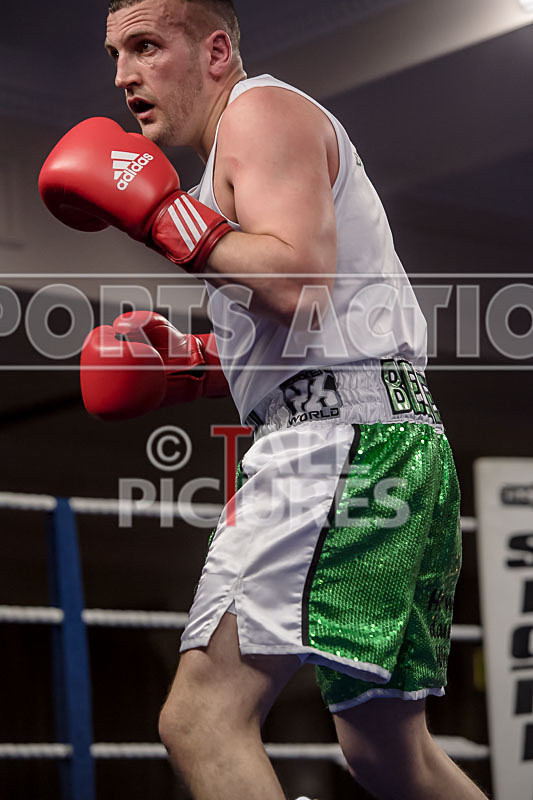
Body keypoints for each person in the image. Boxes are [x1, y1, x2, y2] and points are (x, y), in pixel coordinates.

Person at [38, 1, 487, 798]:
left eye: (146, 46)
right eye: (115, 53)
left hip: (336, 444)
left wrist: (164, 219)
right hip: (383, 430)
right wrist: (197, 366)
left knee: (201, 719)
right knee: (388, 750)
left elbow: (296, 281)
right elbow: (319, 323)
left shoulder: (260, 113)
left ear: (216, 50)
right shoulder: (235, 156)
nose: (123, 75)